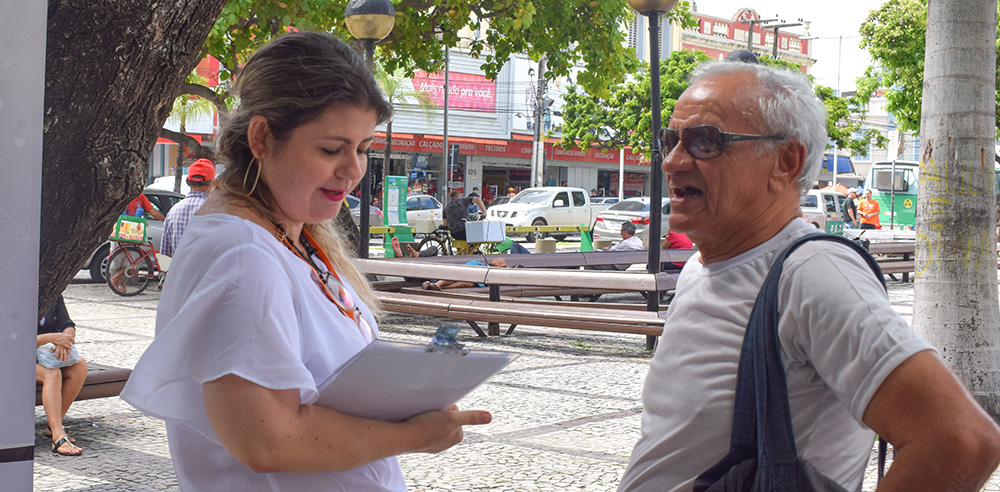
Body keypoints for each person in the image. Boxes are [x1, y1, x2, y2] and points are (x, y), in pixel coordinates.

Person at [120, 32, 491, 491]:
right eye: (331, 149)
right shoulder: (244, 256)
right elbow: (270, 441)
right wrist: (412, 435)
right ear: (262, 138)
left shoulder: (291, 235)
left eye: (363, 149)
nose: (353, 169)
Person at [618, 61, 1000, 491]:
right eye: (670, 140)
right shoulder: (702, 264)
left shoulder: (810, 274)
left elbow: (960, 440)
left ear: (785, 161)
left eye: (704, 142)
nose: (671, 162)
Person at [36, 294, 88, 456]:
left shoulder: (52, 289)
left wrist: (65, 339)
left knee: (80, 365)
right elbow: (11, 339)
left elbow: (67, 324)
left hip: (46, 355)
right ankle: (58, 435)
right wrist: (51, 338)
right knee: (52, 374)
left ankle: (53, 426)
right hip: (16, 358)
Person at [160, 158, 215, 256]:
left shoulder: (173, 212)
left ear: (188, 182)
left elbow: (166, 254)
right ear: (213, 183)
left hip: (179, 270)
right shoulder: (217, 212)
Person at [422, 257, 512, 290]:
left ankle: (434, 287)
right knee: (461, 273)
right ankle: (438, 284)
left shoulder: (511, 277)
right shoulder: (503, 261)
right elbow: (493, 263)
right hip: (480, 268)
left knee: (467, 283)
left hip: (483, 282)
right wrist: (505, 267)